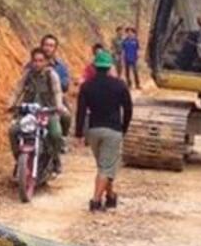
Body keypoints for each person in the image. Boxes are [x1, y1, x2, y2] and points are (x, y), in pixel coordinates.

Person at [75, 49, 133, 212]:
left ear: (95, 66)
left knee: (104, 166)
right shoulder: (119, 85)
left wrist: (79, 133)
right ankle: (95, 201)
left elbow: (80, 111)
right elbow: (128, 109)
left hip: (93, 130)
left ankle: (111, 196)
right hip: (113, 130)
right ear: (109, 67)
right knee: (106, 167)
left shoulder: (86, 86)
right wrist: (124, 128)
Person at [8, 47, 68, 172]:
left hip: (47, 111)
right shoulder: (28, 74)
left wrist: (58, 106)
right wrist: (11, 103)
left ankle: (55, 158)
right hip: (29, 112)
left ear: (46, 61)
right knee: (13, 131)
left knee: (56, 134)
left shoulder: (51, 75)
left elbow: (57, 92)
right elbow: (18, 90)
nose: (37, 63)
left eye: (41, 60)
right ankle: (19, 160)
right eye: (35, 60)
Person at [40, 34, 73, 146]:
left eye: (51, 45)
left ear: (55, 48)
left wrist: (55, 82)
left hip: (54, 102)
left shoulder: (60, 66)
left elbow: (66, 85)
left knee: (66, 116)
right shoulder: (33, 64)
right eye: (46, 45)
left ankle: (61, 140)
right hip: (36, 101)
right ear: (41, 46)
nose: (48, 48)